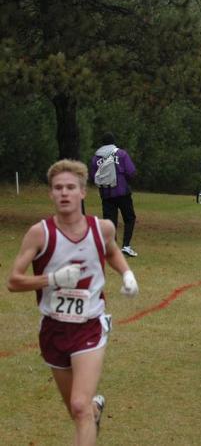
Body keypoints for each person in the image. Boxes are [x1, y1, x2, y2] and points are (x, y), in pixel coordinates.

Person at [8, 159, 139, 445]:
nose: (64, 193)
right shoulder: (39, 233)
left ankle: (89, 410)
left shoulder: (101, 228)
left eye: (70, 187)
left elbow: (112, 250)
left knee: (78, 406)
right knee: (78, 410)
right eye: (58, 188)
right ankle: (95, 410)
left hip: (89, 326)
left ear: (82, 193)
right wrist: (52, 279)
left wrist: (127, 274)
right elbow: (13, 281)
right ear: (51, 194)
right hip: (53, 329)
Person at [90, 132, 139, 257]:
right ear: (113, 141)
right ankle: (126, 246)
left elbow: (92, 176)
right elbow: (131, 171)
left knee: (110, 221)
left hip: (106, 194)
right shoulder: (121, 154)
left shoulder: (96, 157)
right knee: (129, 218)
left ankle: (111, 248)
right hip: (122, 192)